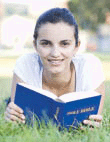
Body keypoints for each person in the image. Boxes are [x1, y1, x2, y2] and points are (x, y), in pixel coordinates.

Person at [5, 8, 105, 128]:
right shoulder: (25, 65)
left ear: (76, 46)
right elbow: (17, 118)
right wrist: (12, 115)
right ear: (35, 46)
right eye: (46, 43)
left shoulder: (90, 67)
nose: (55, 53)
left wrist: (94, 125)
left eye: (64, 44)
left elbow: (94, 121)